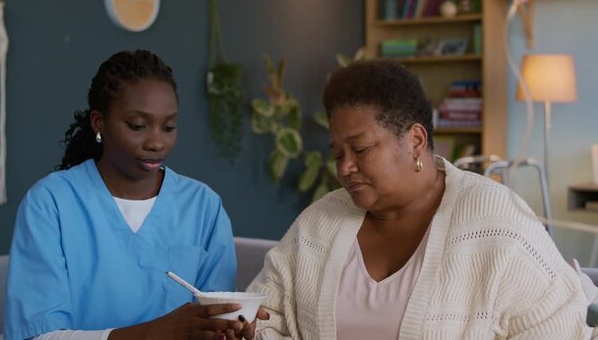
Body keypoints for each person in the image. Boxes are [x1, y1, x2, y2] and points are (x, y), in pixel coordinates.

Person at [247, 59, 590, 339]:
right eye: (338, 154)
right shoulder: (318, 224)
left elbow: (557, 327)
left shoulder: (497, 223)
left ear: (414, 140)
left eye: (361, 149)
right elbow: (266, 317)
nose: (346, 167)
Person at [4, 50, 266, 340]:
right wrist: (153, 333)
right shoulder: (50, 203)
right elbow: (36, 336)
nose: (157, 142)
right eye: (138, 126)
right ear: (98, 122)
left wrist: (231, 328)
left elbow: (212, 323)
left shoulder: (203, 207)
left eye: (168, 127)